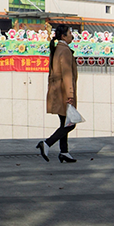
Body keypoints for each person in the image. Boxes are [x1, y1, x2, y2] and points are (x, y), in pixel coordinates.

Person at [35, 24, 80, 163]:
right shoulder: (65, 51)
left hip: (57, 91)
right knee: (70, 123)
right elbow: (67, 75)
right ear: (63, 36)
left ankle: (64, 152)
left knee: (64, 122)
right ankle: (47, 143)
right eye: (70, 33)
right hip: (63, 92)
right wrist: (70, 95)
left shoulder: (56, 49)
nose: (72, 36)